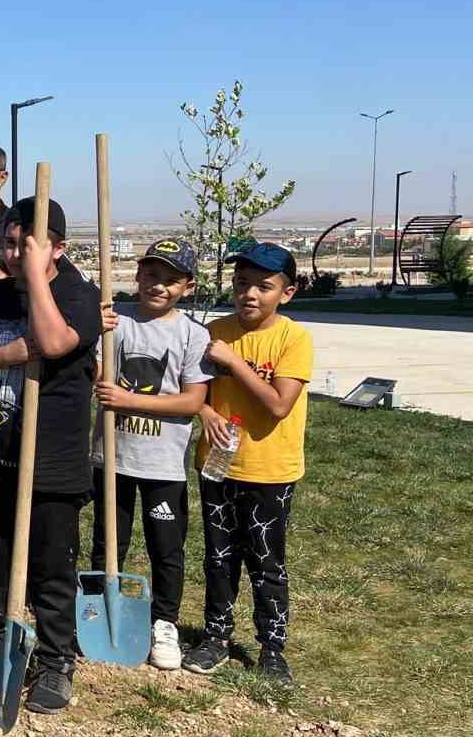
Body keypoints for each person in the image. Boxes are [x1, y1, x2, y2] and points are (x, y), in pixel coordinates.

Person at [0, 197, 101, 715]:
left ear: (57, 247)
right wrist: (9, 354)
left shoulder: (79, 293)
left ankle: (57, 660)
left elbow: (56, 341)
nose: (14, 255)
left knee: (50, 568)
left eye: (26, 246)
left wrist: (38, 277)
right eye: (9, 245)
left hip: (52, 462)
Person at [181, 243, 311, 688]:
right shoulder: (215, 330)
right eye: (241, 284)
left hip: (270, 471)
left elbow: (279, 404)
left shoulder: (293, 339)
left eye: (263, 286)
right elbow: (197, 392)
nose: (249, 294)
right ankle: (216, 636)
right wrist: (207, 414)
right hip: (218, 464)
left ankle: (272, 646)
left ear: (287, 293)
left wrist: (235, 362)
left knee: (266, 560)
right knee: (219, 556)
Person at [90, 238, 212, 671]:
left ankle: (164, 623)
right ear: (137, 275)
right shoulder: (115, 322)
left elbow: (191, 402)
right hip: (112, 459)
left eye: (170, 279)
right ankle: (101, 613)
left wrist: (128, 400)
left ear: (187, 286)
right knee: (108, 542)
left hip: (163, 464)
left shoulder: (192, 335)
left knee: (167, 548)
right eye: (151, 275)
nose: (158, 286)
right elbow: (98, 374)